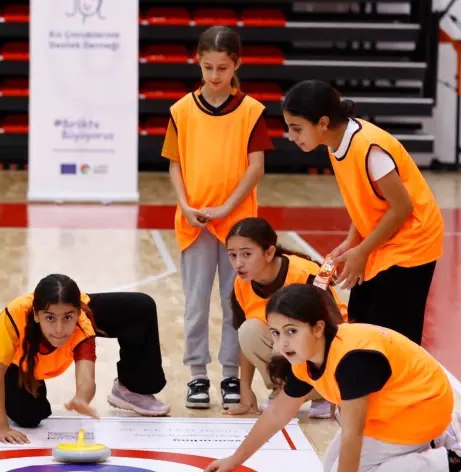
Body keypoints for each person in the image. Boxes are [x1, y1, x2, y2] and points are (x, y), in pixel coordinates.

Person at [204, 284, 461, 472]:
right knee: (332, 469)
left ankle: (457, 463)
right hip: (401, 405)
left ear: (317, 328)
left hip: (420, 407)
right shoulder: (306, 357)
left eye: (291, 331)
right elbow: (277, 414)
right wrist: (235, 459)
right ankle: (442, 436)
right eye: (277, 333)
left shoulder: (351, 360)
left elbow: (353, 432)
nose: (282, 343)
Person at [161, 25, 274, 410]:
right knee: (195, 304)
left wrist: (227, 208)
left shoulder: (252, 111)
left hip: (238, 226)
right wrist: (186, 205)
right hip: (193, 223)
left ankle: (230, 374)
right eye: (207, 67)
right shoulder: (181, 110)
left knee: (234, 304)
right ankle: (196, 375)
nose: (214, 76)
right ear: (198, 61)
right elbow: (174, 165)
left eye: (222, 68)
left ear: (236, 65)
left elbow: (255, 167)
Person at [281, 80, 444, 346]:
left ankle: (402, 385)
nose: (291, 136)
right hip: (382, 239)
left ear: (322, 123)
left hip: (412, 242)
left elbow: (402, 207)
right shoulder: (335, 143)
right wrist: (351, 241)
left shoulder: (370, 148)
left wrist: (362, 250)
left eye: (296, 128)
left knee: (393, 338)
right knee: (360, 322)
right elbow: (369, 201)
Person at [0, 274, 170, 444]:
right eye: (50, 318)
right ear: (36, 314)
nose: (59, 329)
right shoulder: (12, 318)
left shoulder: (82, 325)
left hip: (72, 311)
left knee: (140, 307)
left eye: (67, 318)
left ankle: (132, 390)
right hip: (18, 366)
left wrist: (81, 399)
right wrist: (1, 427)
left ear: (78, 313)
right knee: (30, 417)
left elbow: (87, 378)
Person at [225, 217, 347, 417]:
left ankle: (322, 393)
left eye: (247, 254)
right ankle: (284, 389)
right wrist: (245, 389)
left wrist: (337, 383)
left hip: (325, 352)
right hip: (288, 351)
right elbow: (244, 342)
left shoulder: (306, 274)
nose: (239, 263)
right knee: (248, 330)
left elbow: (336, 329)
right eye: (232, 255)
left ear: (269, 252)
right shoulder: (241, 284)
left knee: (288, 331)